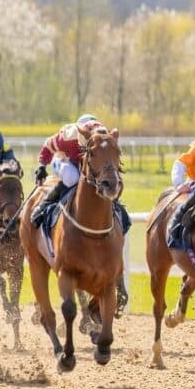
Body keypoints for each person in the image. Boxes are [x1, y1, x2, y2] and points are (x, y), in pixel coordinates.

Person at [31, 113, 131, 315]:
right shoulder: (69, 136)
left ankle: (118, 213)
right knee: (72, 177)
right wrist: (42, 165)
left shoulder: (104, 140)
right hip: (67, 162)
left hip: (95, 167)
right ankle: (46, 205)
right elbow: (48, 146)